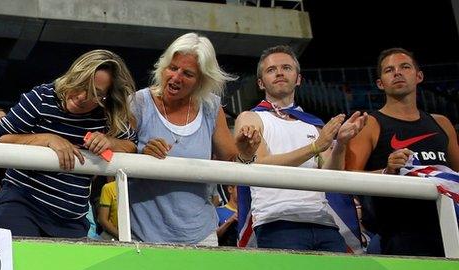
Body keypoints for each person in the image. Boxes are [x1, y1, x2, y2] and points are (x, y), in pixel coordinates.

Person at [129, 33, 260, 246]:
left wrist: (245, 152)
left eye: (188, 74)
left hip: (201, 235)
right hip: (142, 236)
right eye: (172, 68)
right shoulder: (138, 103)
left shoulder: (211, 107)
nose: (176, 77)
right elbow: (117, 152)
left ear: (201, 81)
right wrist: (141, 154)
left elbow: (231, 163)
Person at [233, 45, 367, 252]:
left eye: (286, 67)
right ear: (260, 83)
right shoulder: (250, 118)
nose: (279, 72)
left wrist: (340, 143)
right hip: (277, 221)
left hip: (323, 221)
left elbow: (331, 177)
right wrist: (315, 146)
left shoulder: (314, 124)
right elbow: (258, 165)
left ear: (298, 79)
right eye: (271, 70)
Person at [0, 49, 137, 238]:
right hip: (22, 203)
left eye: (95, 94)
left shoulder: (107, 115)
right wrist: (47, 139)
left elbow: (132, 145)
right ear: (74, 75)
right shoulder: (42, 97)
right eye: (82, 85)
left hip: (72, 218)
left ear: (106, 98)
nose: (83, 96)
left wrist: (110, 142)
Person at [346, 48, 459, 257]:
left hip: (449, 228)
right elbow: (346, 180)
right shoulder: (370, 124)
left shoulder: (442, 123)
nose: (397, 73)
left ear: (419, 76)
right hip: (399, 234)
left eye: (404, 67)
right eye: (389, 70)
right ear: (380, 83)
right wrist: (387, 172)